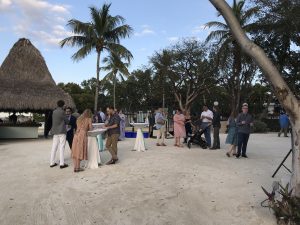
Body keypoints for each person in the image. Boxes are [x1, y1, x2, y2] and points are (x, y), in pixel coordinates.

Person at [50, 100, 69, 169]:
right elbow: (67, 121)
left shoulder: (54, 112)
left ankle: (52, 162)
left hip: (55, 131)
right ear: (63, 105)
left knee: (54, 147)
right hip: (61, 131)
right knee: (62, 147)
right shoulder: (62, 112)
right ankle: (62, 163)